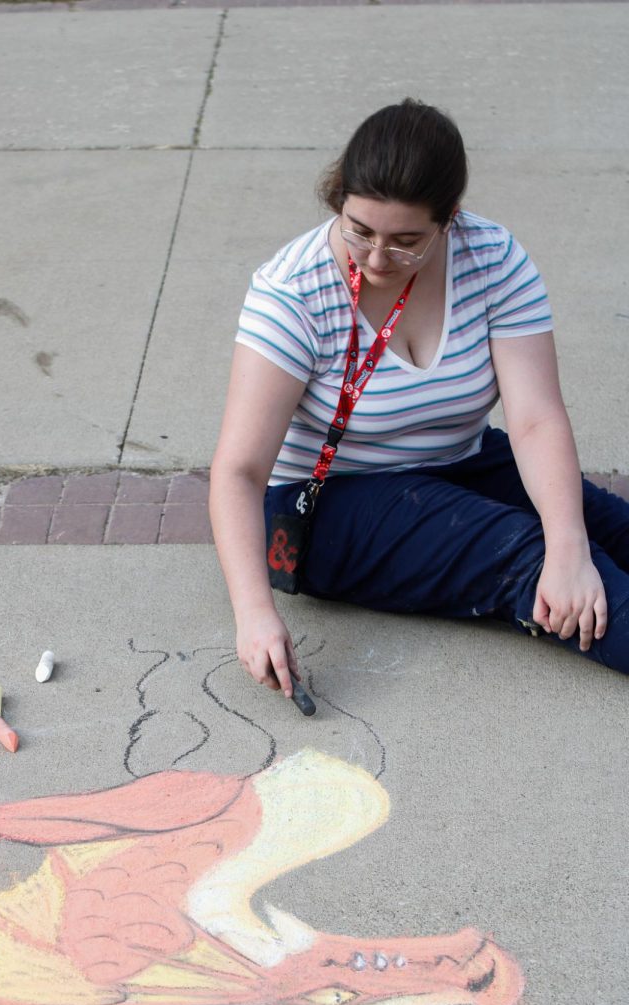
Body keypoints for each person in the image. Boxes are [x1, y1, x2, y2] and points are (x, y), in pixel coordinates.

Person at [209, 98, 629, 696]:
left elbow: (534, 420)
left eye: (407, 241)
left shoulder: (492, 257)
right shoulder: (293, 290)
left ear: (449, 218)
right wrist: (253, 616)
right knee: (529, 559)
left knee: (599, 533)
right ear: (340, 201)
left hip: (463, 461)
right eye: (359, 230)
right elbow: (238, 471)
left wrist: (573, 544)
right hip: (330, 500)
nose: (378, 258)